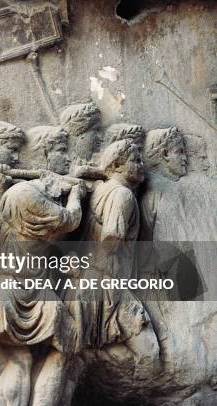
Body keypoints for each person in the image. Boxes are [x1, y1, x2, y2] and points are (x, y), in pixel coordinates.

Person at [0, 125, 84, 406]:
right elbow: (69, 220)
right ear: (45, 155)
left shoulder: (19, 193)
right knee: (31, 356)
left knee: (43, 352)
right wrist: (76, 195)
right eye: (61, 151)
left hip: (25, 286)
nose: (68, 158)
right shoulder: (27, 196)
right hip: (12, 288)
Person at [66, 139, 160, 377]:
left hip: (87, 278)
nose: (142, 166)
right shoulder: (122, 196)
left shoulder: (103, 187)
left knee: (77, 358)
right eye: (136, 160)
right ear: (119, 165)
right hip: (107, 282)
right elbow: (111, 236)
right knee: (149, 352)